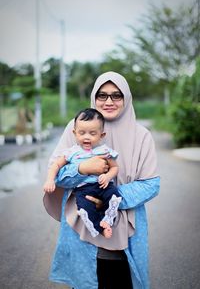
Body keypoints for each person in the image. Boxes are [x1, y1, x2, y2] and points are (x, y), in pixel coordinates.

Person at [43, 71, 160, 289]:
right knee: (86, 281)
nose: (108, 101)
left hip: (126, 236)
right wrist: (81, 168)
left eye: (116, 95)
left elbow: (151, 184)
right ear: (94, 98)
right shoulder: (76, 127)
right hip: (81, 230)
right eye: (102, 95)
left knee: (123, 281)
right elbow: (55, 171)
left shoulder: (141, 135)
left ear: (126, 98)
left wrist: (106, 199)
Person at [43, 108, 122, 238]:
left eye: (92, 133)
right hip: (83, 189)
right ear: (74, 133)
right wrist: (50, 180)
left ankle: (108, 220)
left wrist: (108, 176)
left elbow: (115, 168)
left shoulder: (104, 151)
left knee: (113, 196)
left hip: (103, 185)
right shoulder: (71, 152)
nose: (86, 137)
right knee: (84, 208)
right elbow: (56, 165)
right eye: (82, 133)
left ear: (101, 135)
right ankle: (100, 228)